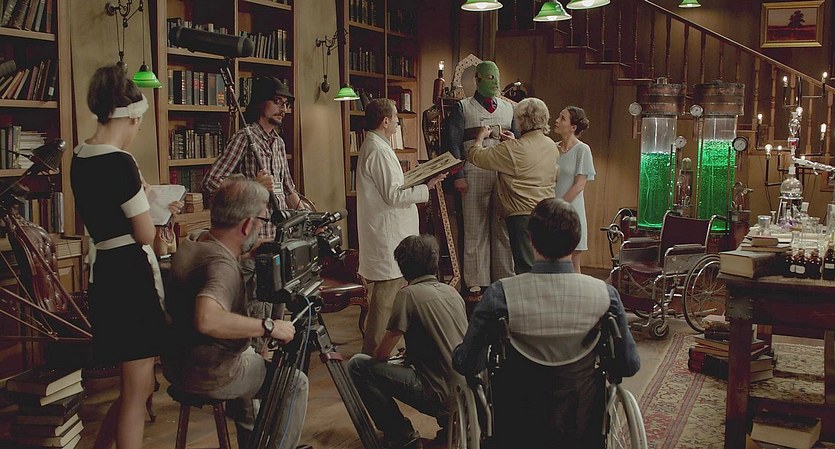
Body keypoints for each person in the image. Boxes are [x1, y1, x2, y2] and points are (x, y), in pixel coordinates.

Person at [452, 198, 640, 448]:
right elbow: (628, 365)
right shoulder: (605, 296)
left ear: (530, 240)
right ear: (576, 241)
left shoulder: (500, 294)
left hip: (515, 428)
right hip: (581, 424)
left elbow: (467, 362)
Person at [70, 64, 179, 449]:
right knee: (138, 391)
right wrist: (151, 205)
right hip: (131, 277)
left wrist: (140, 197)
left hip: (104, 273)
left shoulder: (80, 154)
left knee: (131, 386)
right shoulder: (120, 161)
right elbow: (145, 233)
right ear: (132, 116)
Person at [163, 175, 308, 449]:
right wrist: (269, 326)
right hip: (212, 373)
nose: (262, 226)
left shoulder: (195, 242)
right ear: (247, 225)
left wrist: (246, 257)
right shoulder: (222, 266)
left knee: (251, 356)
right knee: (295, 383)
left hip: (178, 364)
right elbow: (207, 318)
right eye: (262, 221)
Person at [202, 76, 303, 348]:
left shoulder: (279, 143)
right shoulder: (244, 138)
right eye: (277, 102)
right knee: (257, 315)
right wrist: (252, 186)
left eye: (285, 104)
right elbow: (211, 182)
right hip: (254, 244)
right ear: (261, 104)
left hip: (279, 240)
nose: (283, 108)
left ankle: (271, 367)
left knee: (278, 316)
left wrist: (307, 214)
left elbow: (288, 190)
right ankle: (256, 366)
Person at [349, 235, 468, 449]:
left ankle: (401, 435)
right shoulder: (452, 292)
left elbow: (382, 354)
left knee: (358, 364)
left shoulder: (408, 295)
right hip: (466, 393)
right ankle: (451, 425)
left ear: (403, 267)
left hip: (439, 394)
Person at [357, 98, 446, 356]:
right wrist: (425, 188)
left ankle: (386, 350)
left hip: (389, 231)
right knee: (384, 301)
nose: (398, 122)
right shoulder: (378, 150)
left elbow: (392, 187)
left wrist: (418, 180)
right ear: (385, 121)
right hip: (387, 235)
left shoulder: (379, 146)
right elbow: (393, 195)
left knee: (391, 297)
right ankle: (373, 355)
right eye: (396, 117)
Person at [447, 60, 518, 297]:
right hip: (473, 171)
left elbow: (519, 142)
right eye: (489, 77)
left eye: (496, 77)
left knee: (502, 228)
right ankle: (476, 280)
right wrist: (459, 175)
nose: (494, 82)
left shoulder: (509, 108)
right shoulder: (463, 107)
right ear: (477, 79)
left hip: (501, 174)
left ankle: (504, 276)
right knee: (474, 226)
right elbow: (453, 144)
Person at [466, 97, 559, 274]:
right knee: (542, 263)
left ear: (522, 120)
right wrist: (514, 142)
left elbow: (476, 156)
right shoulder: (551, 145)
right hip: (547, 211)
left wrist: (480, 138)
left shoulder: (513, 149)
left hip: (522, 215)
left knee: (526, 267)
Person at [553, 105, 595, 273]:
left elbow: (579, 185)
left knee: (572, 262)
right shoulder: (552, 148)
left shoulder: (582, 149)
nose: (557, 120)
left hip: (570, 210)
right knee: (553, 260)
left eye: (562, 118)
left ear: (573, 127)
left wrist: (558, 206)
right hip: (552, 210)